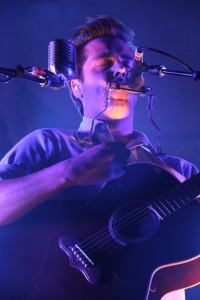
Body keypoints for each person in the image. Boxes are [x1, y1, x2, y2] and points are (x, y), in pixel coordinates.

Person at [0, 16, 199, 300]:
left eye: (128, 67)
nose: (121, 70)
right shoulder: (48, 144)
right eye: (105, 65)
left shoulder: (180, 171)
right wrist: (68, 173)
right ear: (76, 86)